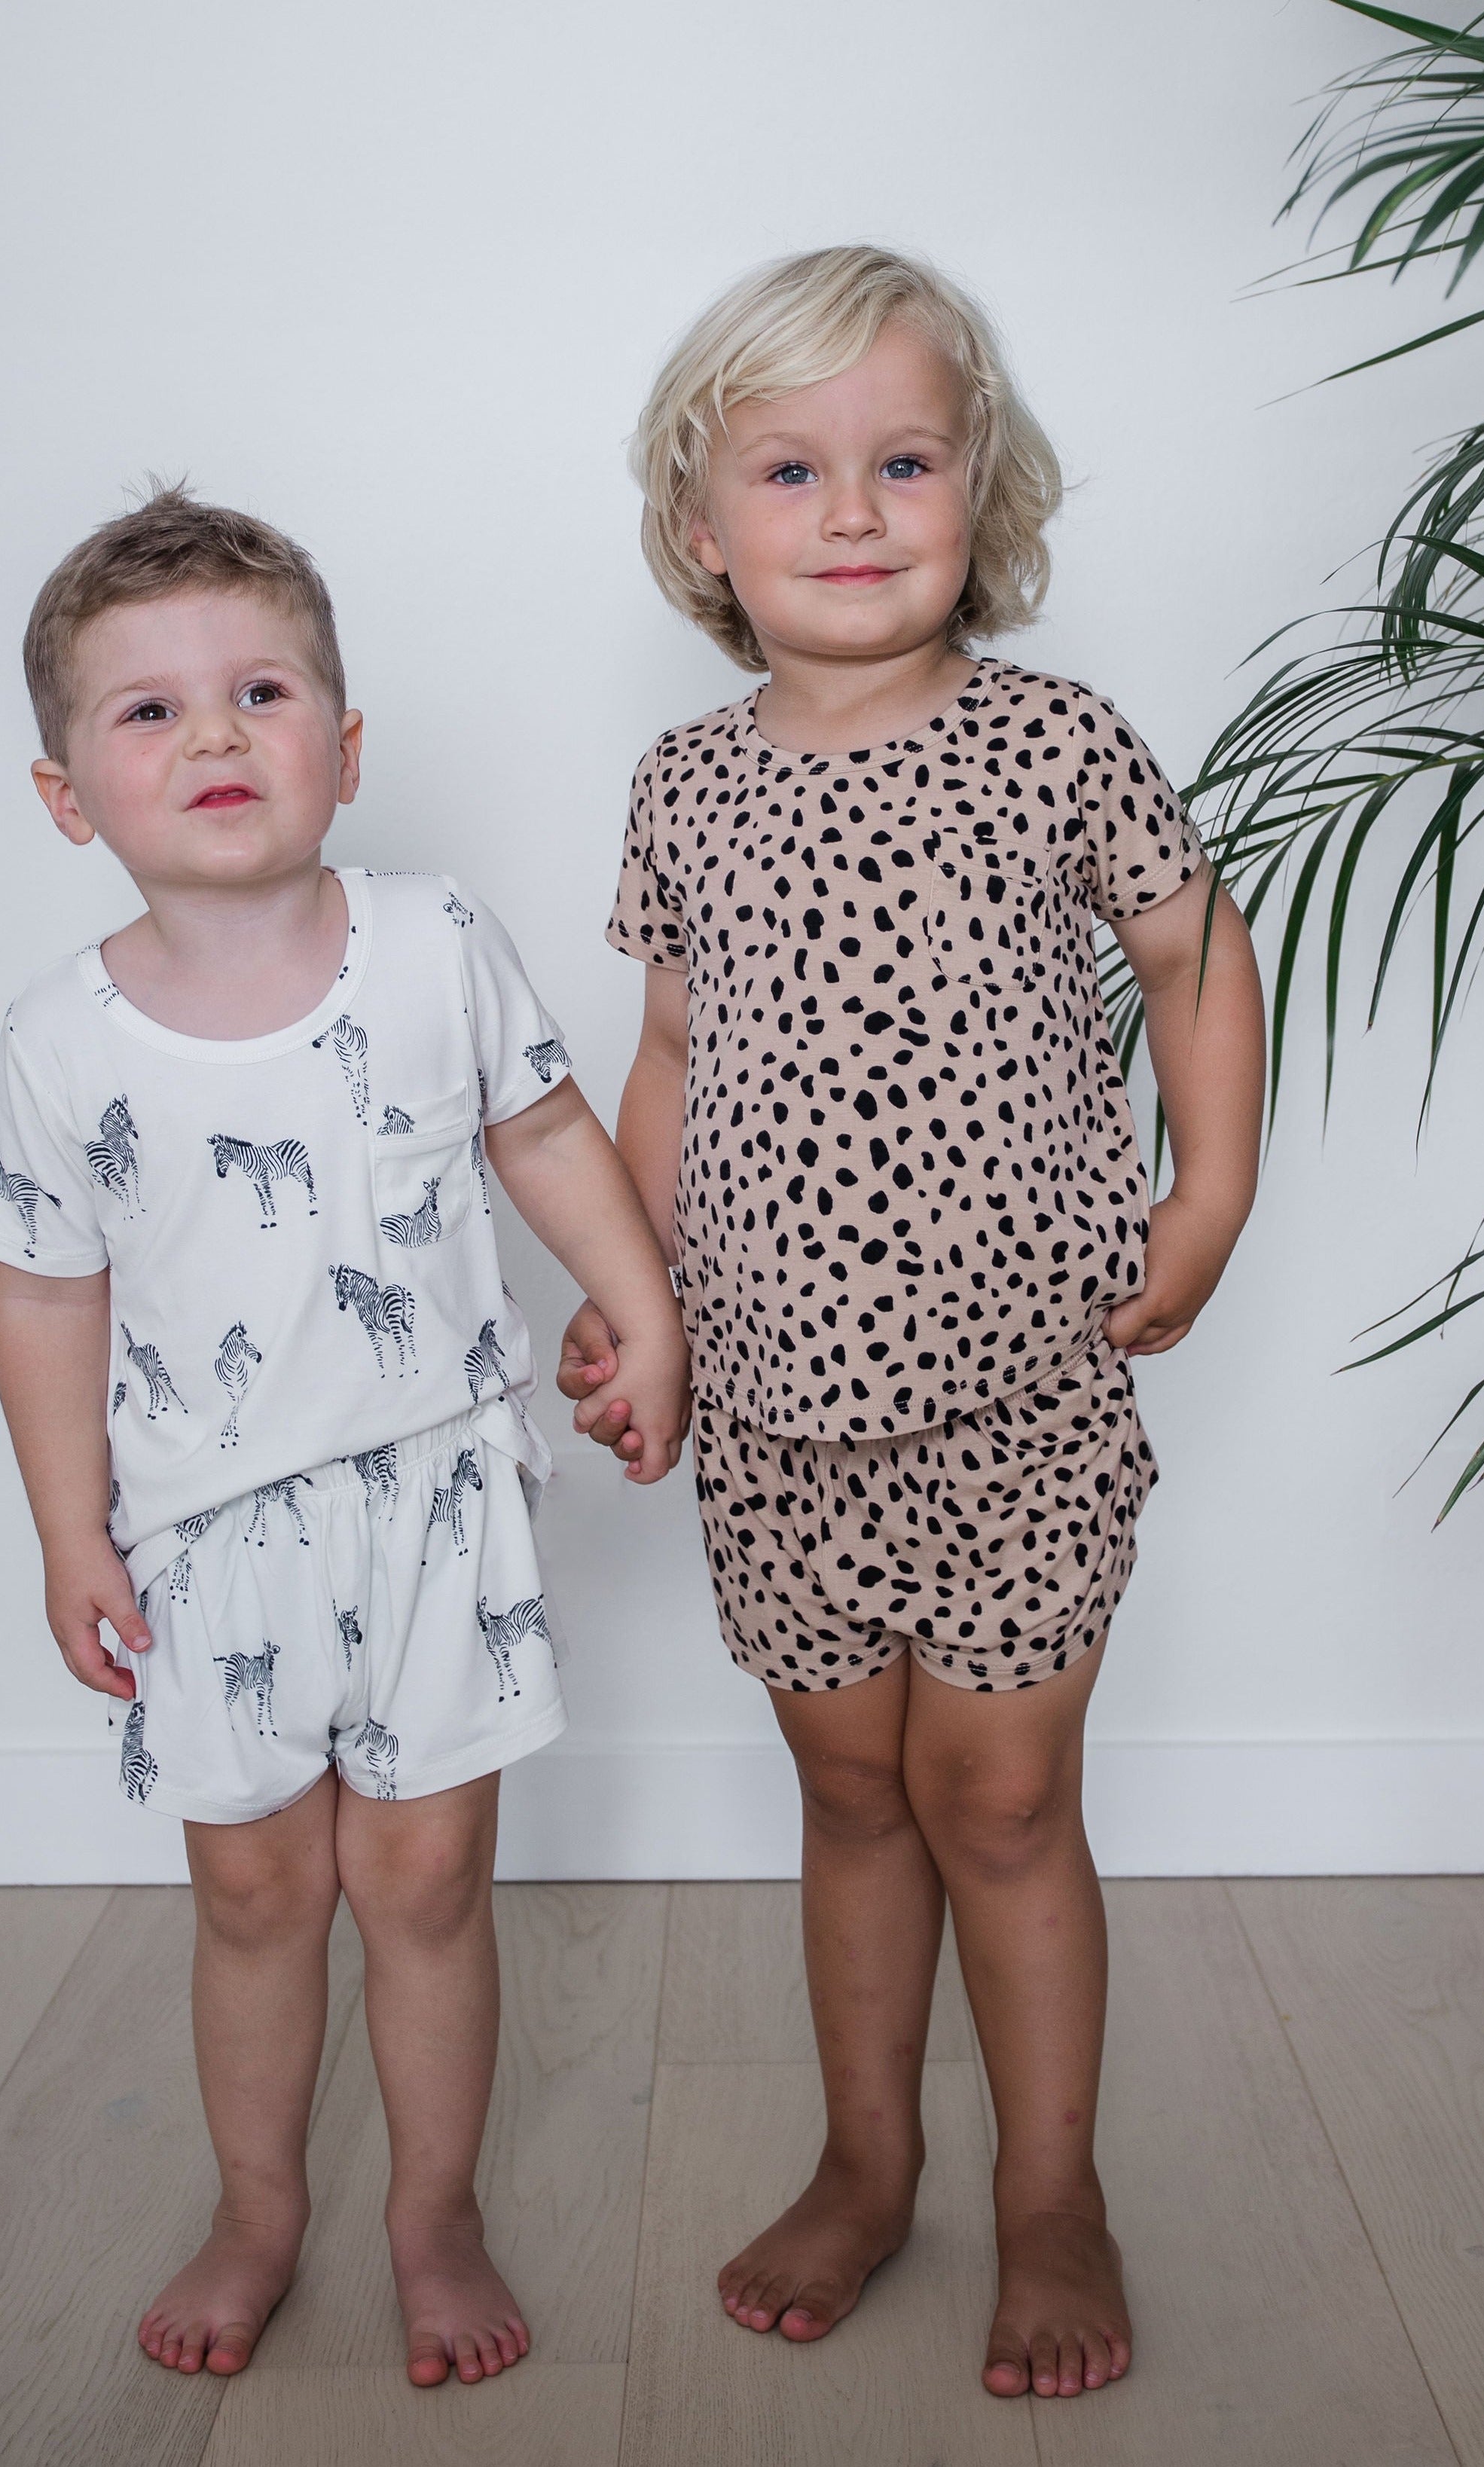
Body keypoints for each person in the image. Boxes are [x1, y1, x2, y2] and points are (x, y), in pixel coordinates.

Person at [559, 246, 1265, 2401]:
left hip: (1020, 1395)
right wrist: (639, 1303)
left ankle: (1053, 2193)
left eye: (907, 461)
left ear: (986, 492)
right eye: (791, 469)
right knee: (852, 1794)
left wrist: (1208, 1192)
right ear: (704, 527)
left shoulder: (1056, 743)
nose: (854, 510)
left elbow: (1196, 956)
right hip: (779, 1414)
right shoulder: (687, 783)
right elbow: (669, 1057)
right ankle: (871, 2159)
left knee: (1004, 1803)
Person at [0, 486, 687, 2387]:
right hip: (206, 1538)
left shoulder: (435, 946)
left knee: (425, 1886)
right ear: (66, 798)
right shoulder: (57, 1044)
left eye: (260, 692)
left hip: (435, 1502)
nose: (214, 732)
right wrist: (67, 1530)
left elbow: (544, 1132)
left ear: (344, 751)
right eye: (150, 710)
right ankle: (257, 2208)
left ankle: (435, 2213)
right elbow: (45, 1296)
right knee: (257, 1893)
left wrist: (647, 1305)